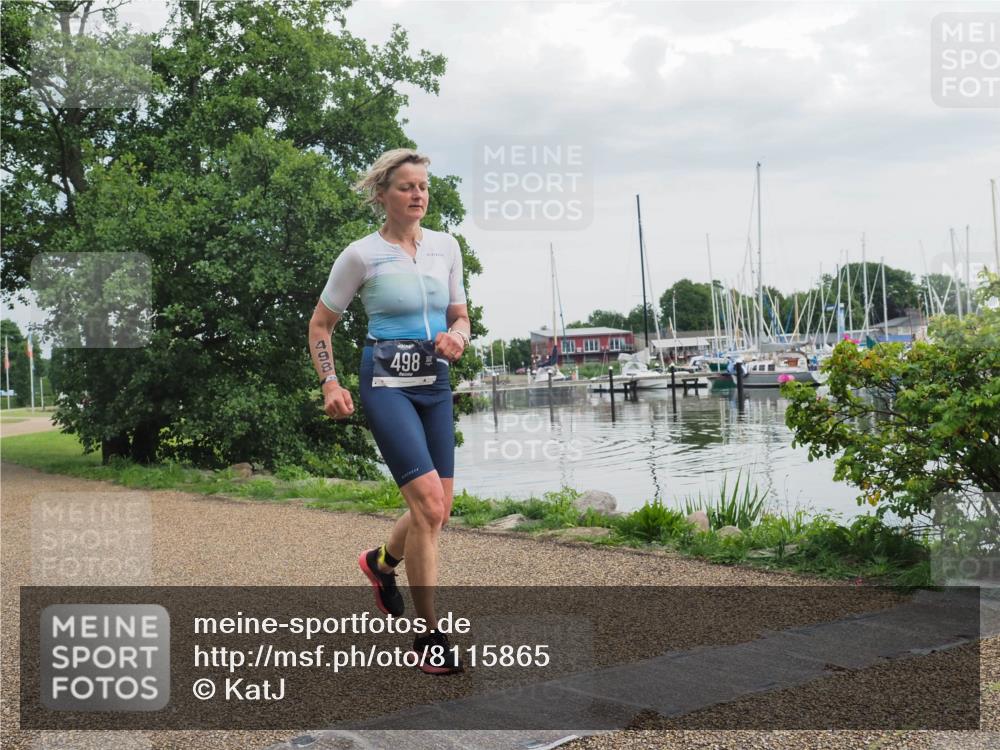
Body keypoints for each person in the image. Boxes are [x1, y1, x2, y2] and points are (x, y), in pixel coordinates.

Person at [307, 149, 470, 675]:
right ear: (383, 195)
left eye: (423, 186)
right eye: (406, 187)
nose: (418, 194)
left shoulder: (446, 247)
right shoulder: (361, 255)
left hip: (434, 383)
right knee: (428, 505)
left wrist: (458, 337)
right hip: (386, 384)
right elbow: (320, 325)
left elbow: (460, 316)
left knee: (438, 510)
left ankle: (381, 563)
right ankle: (429, 636)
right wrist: (330, 382)